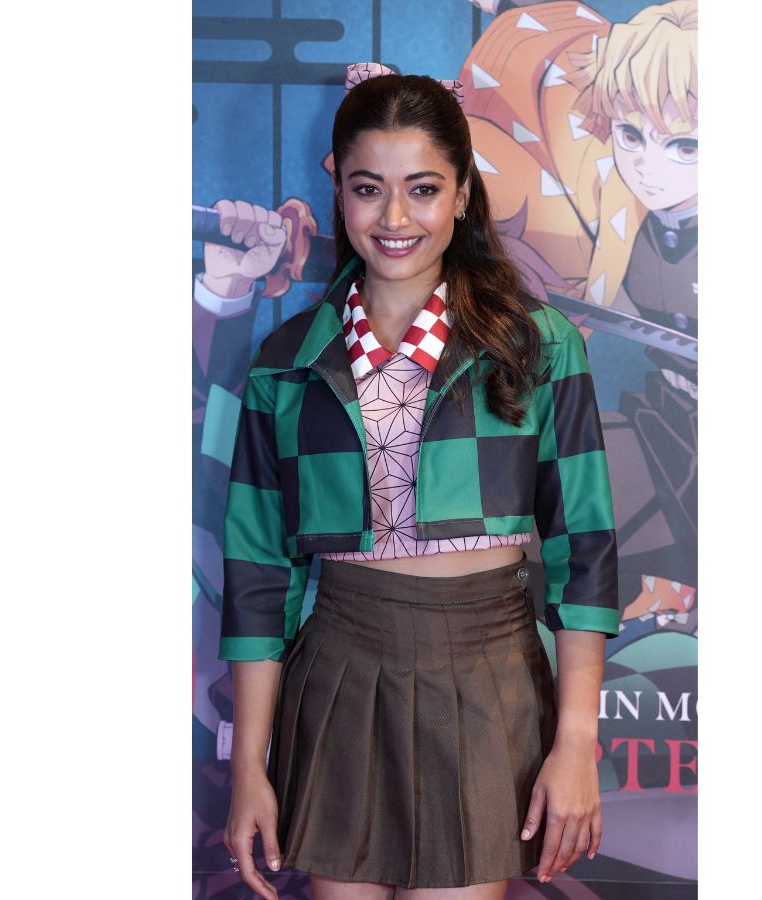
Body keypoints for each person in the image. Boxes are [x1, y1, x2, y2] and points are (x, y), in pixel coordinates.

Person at [219, 68, 619, 900]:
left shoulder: (539, 346)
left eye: (423, 189)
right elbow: (258, 576)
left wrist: (577, 740)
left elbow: (584, 550)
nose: (394, 218)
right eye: (368, 189)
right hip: (337, 674)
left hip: (488, 676)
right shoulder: (286, 363)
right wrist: (249, 767)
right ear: (339, 191)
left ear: (463, 194)